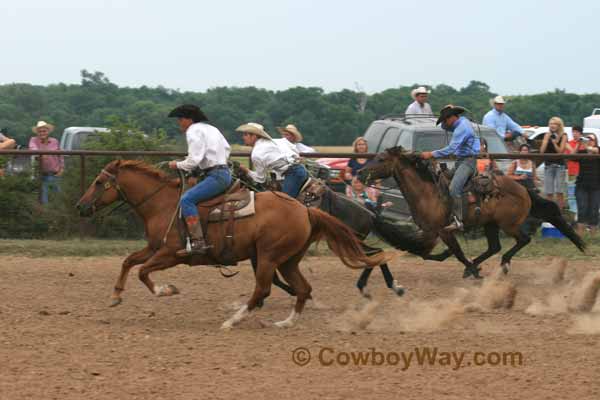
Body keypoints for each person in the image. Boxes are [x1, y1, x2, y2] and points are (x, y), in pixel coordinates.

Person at [167, 104, 232, 256]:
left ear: (189, 119)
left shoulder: (193, 131)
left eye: (181, 119)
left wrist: (176, 164)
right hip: (223, 172)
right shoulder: (212, 129)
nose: (179, 123)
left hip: (215, 175)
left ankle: (198, 242)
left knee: (187, 200)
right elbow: (227, 148)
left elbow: (194, 160)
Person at [421, 105, 480, 231]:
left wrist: (431, 154)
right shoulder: (462, 122)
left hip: (468, 162)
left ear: (452, 117)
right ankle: (445, 212)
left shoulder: (462, 128)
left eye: (445, 119)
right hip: (461, 161)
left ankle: (458, 220)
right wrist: (450, 110)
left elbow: (451, 149)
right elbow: (445, 127)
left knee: (454, 188)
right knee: (442, 179)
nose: (444, 123)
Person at [237, 122, 308, 198]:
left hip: (293, 174)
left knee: (284, 202)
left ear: (254, 136)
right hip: (297, 170)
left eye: (245, 135)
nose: (243, 137)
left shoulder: (256, 154)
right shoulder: (275, 141)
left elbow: (260, 179)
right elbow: (293, 148)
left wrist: (246, 170)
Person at [28, 121, 64, 204]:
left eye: (44, 131)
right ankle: (45, 214)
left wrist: (62, 168)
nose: (42, 133)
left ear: (48, 131)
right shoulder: (33, 140)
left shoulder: (54, 141)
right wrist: (40, 154)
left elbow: (60, 155)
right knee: (44, 199)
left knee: (58, 198)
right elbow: (32, 148)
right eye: (40, 131)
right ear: (37, 132)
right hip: (42, 174)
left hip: (55, 173)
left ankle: (58, 214)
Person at [574, 134, 600, 235]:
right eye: (587, 139)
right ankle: (580, 235)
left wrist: (587, 146)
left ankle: (592, 235)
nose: (589, 140)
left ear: (595, 141)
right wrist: (578, 144)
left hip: (596, 186)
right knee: (582, 208)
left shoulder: (598, 150)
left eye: (591, 139)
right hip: (582, 185)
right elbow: (571, 156)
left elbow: (596, 151)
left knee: (594, 209)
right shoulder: (582, 152)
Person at [540, 116, 568, 208]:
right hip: (548, 164)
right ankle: (549, 214)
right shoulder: (546, 135)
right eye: (551, 124)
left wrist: (555, 142)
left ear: (559, 125)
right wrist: (546, 139)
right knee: (549, 191)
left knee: (560, 191)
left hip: (559, 165)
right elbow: (542, 151)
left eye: (554, 124)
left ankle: (560, 212)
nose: (552, 125)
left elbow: (560, 151)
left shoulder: (564, 135)